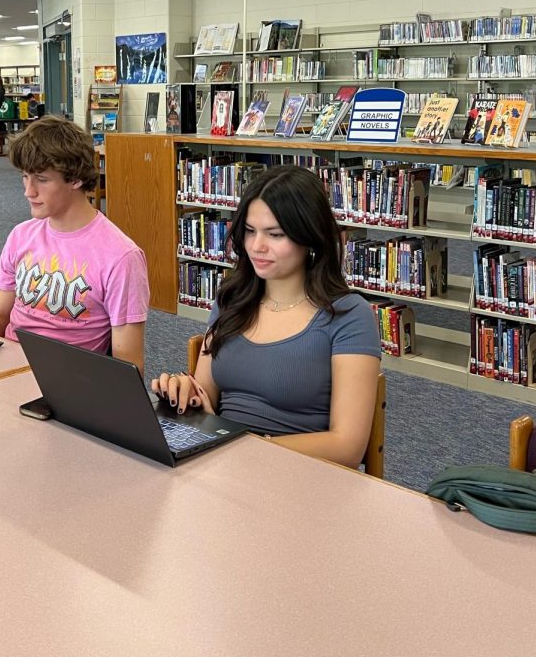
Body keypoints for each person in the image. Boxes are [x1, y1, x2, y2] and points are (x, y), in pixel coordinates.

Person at [152, 165, 380, 468]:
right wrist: (184, 391)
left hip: (301, 473)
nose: (256, 246)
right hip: (225, 464)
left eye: (275, 234)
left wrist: (245, 447)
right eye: (249, 231)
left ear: (309, 238)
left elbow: (346, 445)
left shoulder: (349, 316)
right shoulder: (233, 298)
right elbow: (205, 393)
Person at [0, 115, 149, 373]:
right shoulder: (21, 236)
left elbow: (128, 368)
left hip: (69, 383)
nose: (28, 191)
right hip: (5, 370)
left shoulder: (120, 256)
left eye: (41, 178)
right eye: (25, 177)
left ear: (75, 179)